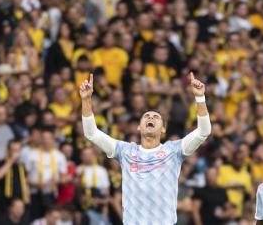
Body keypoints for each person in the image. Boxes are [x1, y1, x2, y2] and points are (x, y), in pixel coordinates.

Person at [79, 72, 211, 225]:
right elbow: (91, 133)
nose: (150, 118)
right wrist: (86, 100)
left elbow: (203, 131)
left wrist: (200, 98)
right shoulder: (125, 151)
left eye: (156, 117)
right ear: (138, 127)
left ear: (163, 129)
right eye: (146, 116)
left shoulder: (174, 151)